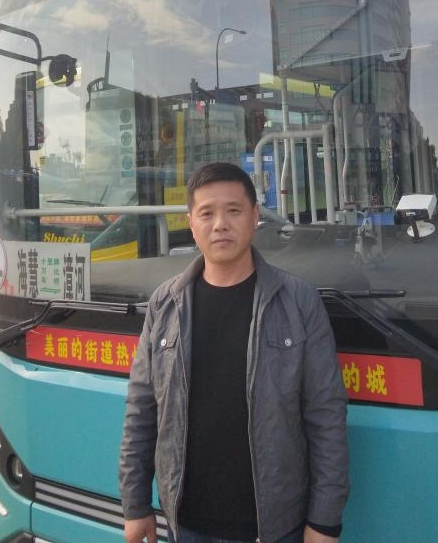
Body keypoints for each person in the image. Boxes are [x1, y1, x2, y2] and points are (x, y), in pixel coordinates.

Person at [119, 162, 349, 543]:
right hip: (186, 524)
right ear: (191, 223)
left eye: (233, 211)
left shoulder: (297, 301)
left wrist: (324, 520)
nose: (220, 224)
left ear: (255, 216)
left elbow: (326, 415)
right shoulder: (165, 304)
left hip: (275, 528)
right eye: (206, 213)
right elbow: (141, 410)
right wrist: (135, 504)